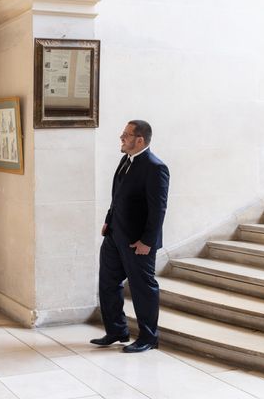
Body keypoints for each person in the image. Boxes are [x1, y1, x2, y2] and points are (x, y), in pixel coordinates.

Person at [90, 120, 169, 353]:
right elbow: (118, 196)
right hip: (114, 235)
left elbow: (158, 209)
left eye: (126, 135)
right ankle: (116, 330)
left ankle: (148, 338)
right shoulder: (126, 160)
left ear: (140, 140)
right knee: (107, 283)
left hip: (138, 242)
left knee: (143, 288)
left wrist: (148, 241)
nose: (121, 138)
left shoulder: (155, 167)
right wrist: (108, 219)